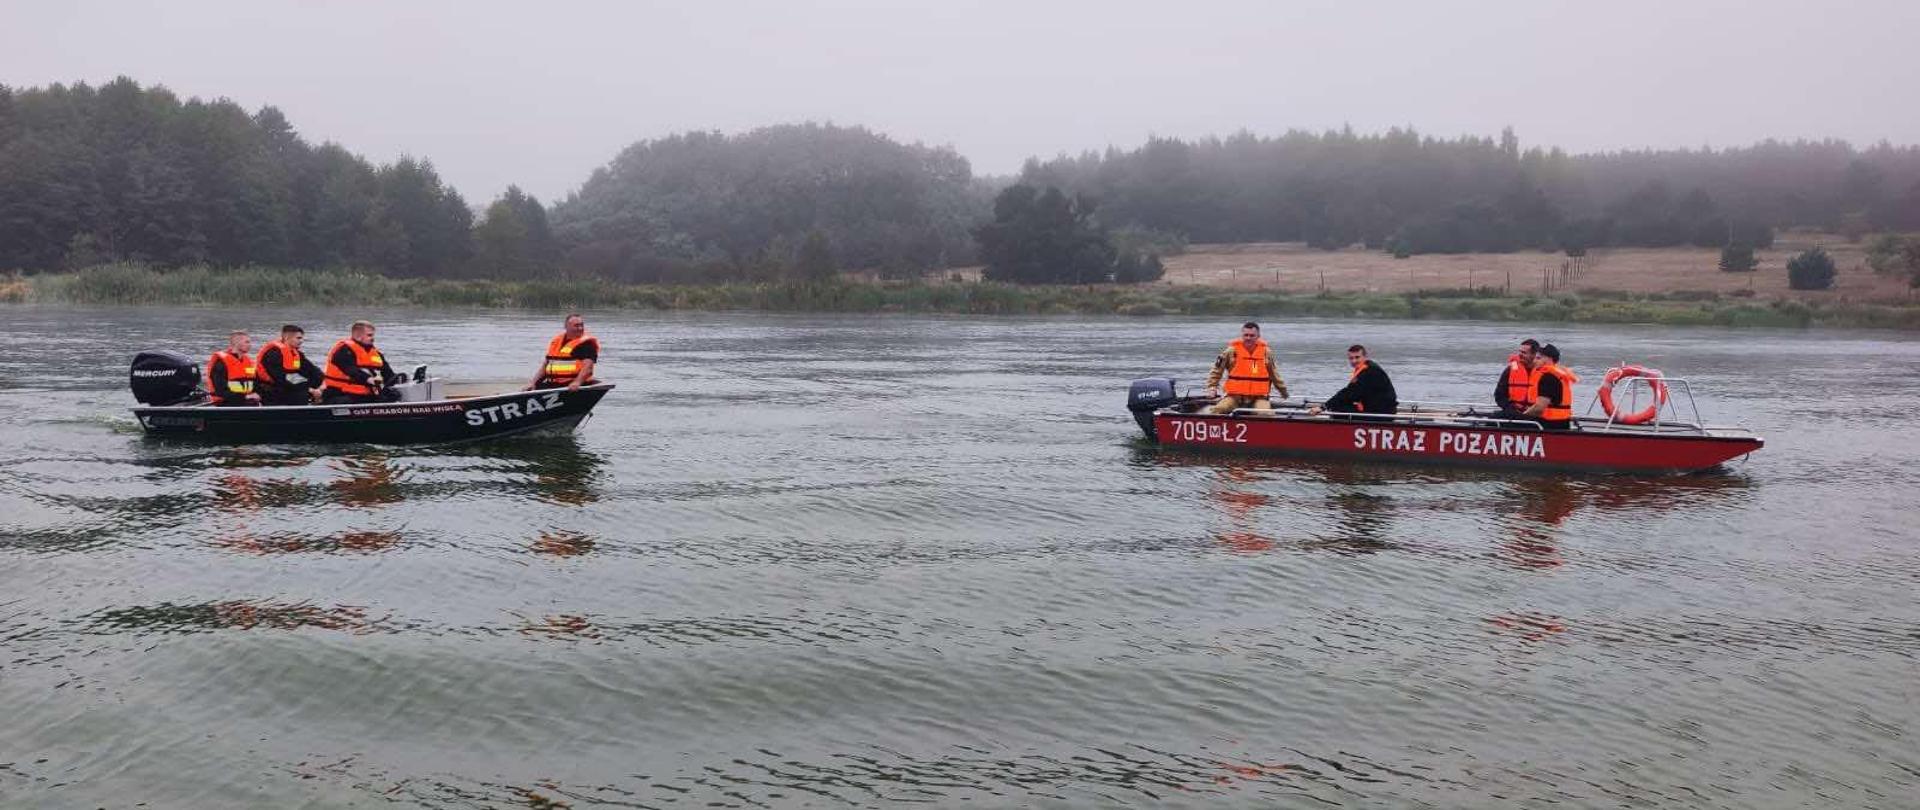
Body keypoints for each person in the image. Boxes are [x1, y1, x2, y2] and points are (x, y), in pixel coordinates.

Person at [1203, 321, 1288, 414]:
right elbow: (1217, 370)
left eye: (1252, 335)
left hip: (1258, 397)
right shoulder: (1231, 351)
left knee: (1265, 413)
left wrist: (1283, 392)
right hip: (1234, 396)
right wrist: (1212, 388)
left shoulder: (1266, 353)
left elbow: (1274, 375)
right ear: (1242, 335)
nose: (1248, 338)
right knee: (1218, 410)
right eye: (1246, 335)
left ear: (1258, 336)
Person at [321, 320, 401, 404]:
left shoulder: (376, 353)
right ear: (358, 336)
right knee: (348, 401)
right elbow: (351, 371)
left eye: (373, 335)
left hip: (365, 395)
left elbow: (388, 373)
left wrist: (398, 379)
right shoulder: (343, 350)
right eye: (369, 335)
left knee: (393, 396)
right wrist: (369, 379)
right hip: (340, 393)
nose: (373, 338)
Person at [1312, 344, 1398, 416]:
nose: (1354, 361)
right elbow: (1352, 392)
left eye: (1357, 357)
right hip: (1378, 408)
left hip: (1381, 412)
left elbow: (1349, 393)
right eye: (1351, 358)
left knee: (1337, 408)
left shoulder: (1369, 371)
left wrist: (1323, 407)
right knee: (1340, 403)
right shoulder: (1366, 367)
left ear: (1365, 357)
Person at [527, 313, 600, 391]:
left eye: (581, 325)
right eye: (576, 326)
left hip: (573, 386)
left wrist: (577, 382)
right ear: (566, 326)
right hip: (553, 384)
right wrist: (533, 383)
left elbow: (588, 368)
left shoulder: (586, 343)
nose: (580, 328)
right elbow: (545, 366)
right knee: (527, 389)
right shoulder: (556, 341)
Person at [254, 324, 323, 406]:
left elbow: (312, 370)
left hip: (288, 387)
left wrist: (320, 384)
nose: (301, 341)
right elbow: (280, 378)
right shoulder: (273, 353)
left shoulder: (296, 354)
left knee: (321, 387)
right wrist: (308, 389)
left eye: (302, 338)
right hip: (271, 390)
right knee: (300, 394)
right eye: (298, 338)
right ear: (287, 338)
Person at [1522, 343, 1579, 430]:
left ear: (1549, 359)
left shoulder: (1548, 377)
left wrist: (1522, 417)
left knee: (1506, 417)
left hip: (1547, 424)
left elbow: (1539, 408)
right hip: (1561, 422)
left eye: (1538, 358)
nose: (1534, 361)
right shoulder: (1558, 374)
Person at [206, 330, 261, 407]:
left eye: (249, 342)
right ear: (236, 343)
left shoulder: (248, 361)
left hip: (246, 401)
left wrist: (258, 394)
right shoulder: (221, 362)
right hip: (225, 403)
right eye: (247, 342)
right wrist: (244, 396)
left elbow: (254, 382)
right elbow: (220, 390)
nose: (250, 345)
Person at [1494, 338, 1540, 419]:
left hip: (1536, 413)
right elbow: (1499, 395)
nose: (1520, 355)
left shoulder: (1544, 372)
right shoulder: (1510, 370)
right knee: (1493, 418)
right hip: (1514, 412)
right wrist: (1510, 409)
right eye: (1520, 352)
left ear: (1534, 355)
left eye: (1524, 353)